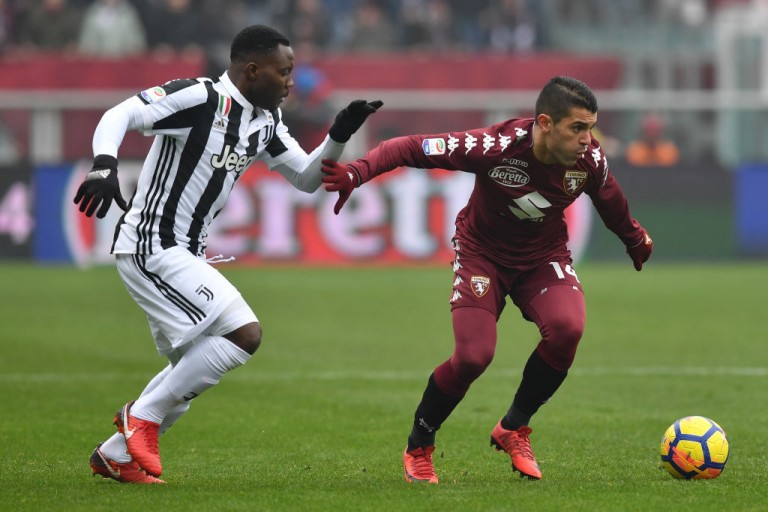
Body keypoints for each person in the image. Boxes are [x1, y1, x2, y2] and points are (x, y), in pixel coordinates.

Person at [73, 24, 381, 484]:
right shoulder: (200, 98)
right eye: (283, 72)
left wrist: (338, 134)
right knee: (244, 334)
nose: (290, 82)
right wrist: (104, 164)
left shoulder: (266, 121)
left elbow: (306, 178)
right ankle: (142, 417)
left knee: (190, 372)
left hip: (185, 252)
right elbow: (120, 114)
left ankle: (115, 454)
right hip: (152, 243)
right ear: (252, 70)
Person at [321, 76, 653, 484]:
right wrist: (356, 172)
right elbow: (409, 147)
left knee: (568, 328)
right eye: (578, 128)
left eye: (591, 128)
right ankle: (419, 445)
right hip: (482, 255)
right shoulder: (494, 146)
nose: (588, 139)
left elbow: (610, 198)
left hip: (543, 257)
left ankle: (513, 427)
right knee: (473, 357)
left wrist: (633, 238)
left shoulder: (590, 160)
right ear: (545, 123)